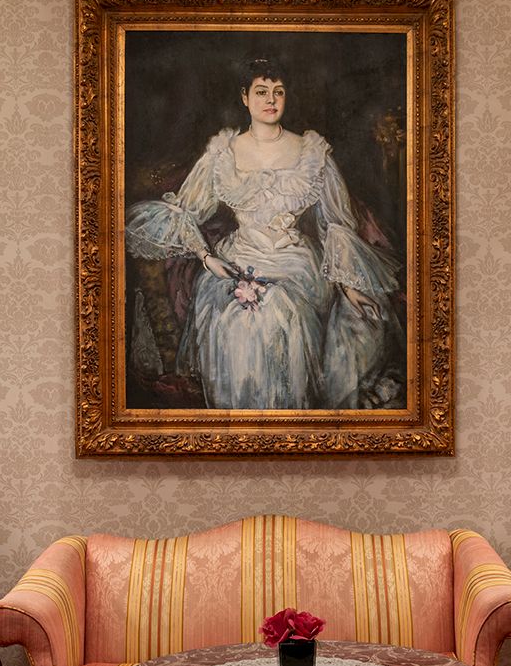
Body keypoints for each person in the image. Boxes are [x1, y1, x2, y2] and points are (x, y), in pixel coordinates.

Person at [124, 57, 402, 410]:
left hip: (297, 263)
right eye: (261, 92)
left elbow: (335, 224)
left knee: (283, 315)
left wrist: (348, 286)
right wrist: (207, 260)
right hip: (238, 258)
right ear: (244, 97)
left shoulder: (311, 153)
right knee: (233, 319)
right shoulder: (223, 153)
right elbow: (186, 212)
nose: (270, 100)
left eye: (278, 92)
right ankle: (241, 430)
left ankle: (287, 425)